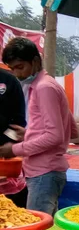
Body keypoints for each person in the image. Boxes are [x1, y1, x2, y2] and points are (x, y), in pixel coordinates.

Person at [0, 37, 79, 215]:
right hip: (45, 171)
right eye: (12, 69)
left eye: (20, 67)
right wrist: (29, 133)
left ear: (35, 61)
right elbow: (71, 129)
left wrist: (14, 149)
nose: (17, 74)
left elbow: (55, 136)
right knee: (46, 228)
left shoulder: (44, 88)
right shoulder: (47, 85)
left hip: (45, 172)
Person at [0, 68, 27, 207]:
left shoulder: (8, 81)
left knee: (11, 211)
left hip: (5, 157)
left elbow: (19, 122)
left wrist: (9, 146)